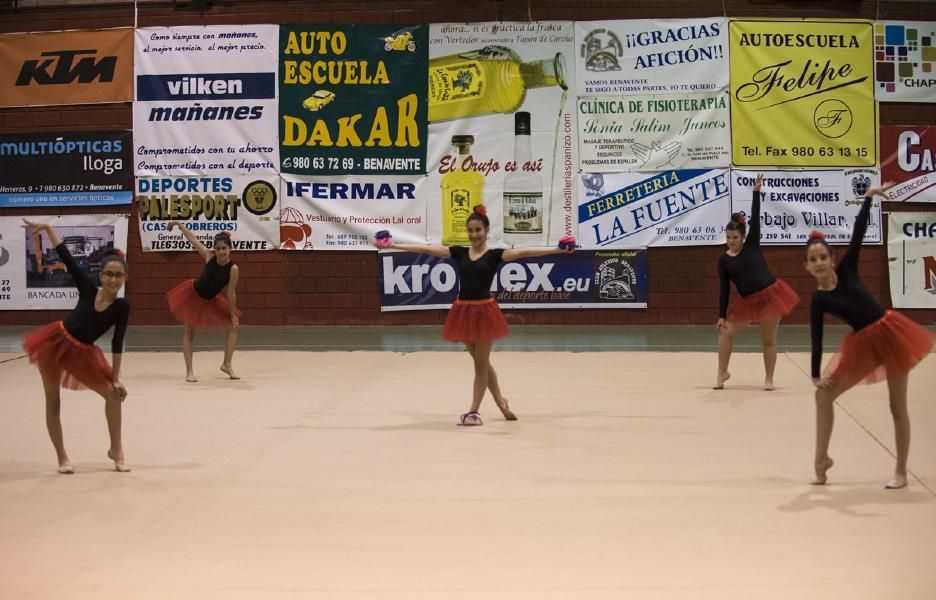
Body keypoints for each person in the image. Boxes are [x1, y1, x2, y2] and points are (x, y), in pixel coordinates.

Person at [378, 205, 574, 425]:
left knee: (480, 365)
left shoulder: (495, 256)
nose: (474, 234)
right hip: (463, 312)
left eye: (478, 230)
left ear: (487, 230)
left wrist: (558, 250)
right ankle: (501, 401)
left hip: (484, 312)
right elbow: (427, 250)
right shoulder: (459, 252)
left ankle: (474, 412)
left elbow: (526, 252)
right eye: (470, 230)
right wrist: (393, 245)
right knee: (482, 362)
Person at [805, 182, 934, 489]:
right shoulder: (819, 299)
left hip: (891, 335)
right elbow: (817, 338)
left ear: (832, 259)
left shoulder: (848, 269)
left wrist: (868, 197)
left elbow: (859, 233)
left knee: (897, 406)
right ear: (807, 267)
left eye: (823, 256)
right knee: (822, 395)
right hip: (862, 346)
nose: (820, 262)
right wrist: (814, 374)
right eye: (813, 259)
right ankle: (821, 459)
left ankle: (901, 471)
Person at [21, 220, 131, 473]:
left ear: (125, 278)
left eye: (118, 275)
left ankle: (117, 449)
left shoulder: (122, 307)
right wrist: (48, 230)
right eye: (109, 274)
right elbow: (67, 258)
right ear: (101, 275)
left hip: (82, 354)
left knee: (113, 395)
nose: (113, 279)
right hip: (54, 344)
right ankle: (62, 457)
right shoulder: (88, 289)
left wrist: (116, 377)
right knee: (53, 402)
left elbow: (117, 342)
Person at [715, 174, 799, 390]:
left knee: (768, 340)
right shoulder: (724, 261)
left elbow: (756, 215)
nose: (732, 241)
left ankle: (769, 379)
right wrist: (722, 315)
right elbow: (724, 289)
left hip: (771, 296)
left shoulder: (752, 244)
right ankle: (722, 372)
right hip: (748, 301)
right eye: (728, 237)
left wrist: (756, 193)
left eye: (735, 237)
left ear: (743, 237)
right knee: (725, 332)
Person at [165, 223, 240, 382]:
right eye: (218, 249)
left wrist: (232, 314)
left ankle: (227, 364)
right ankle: (189, 371)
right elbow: (192, 239)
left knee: (233, 326)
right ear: (215, 250)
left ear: (230, 249)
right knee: (189, 332)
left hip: (212, 301)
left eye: (224, 249)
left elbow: (231, 293)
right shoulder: (209, 256)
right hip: (193, 296)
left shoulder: (233, 269)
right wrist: (179, 225)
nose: (221, 252)